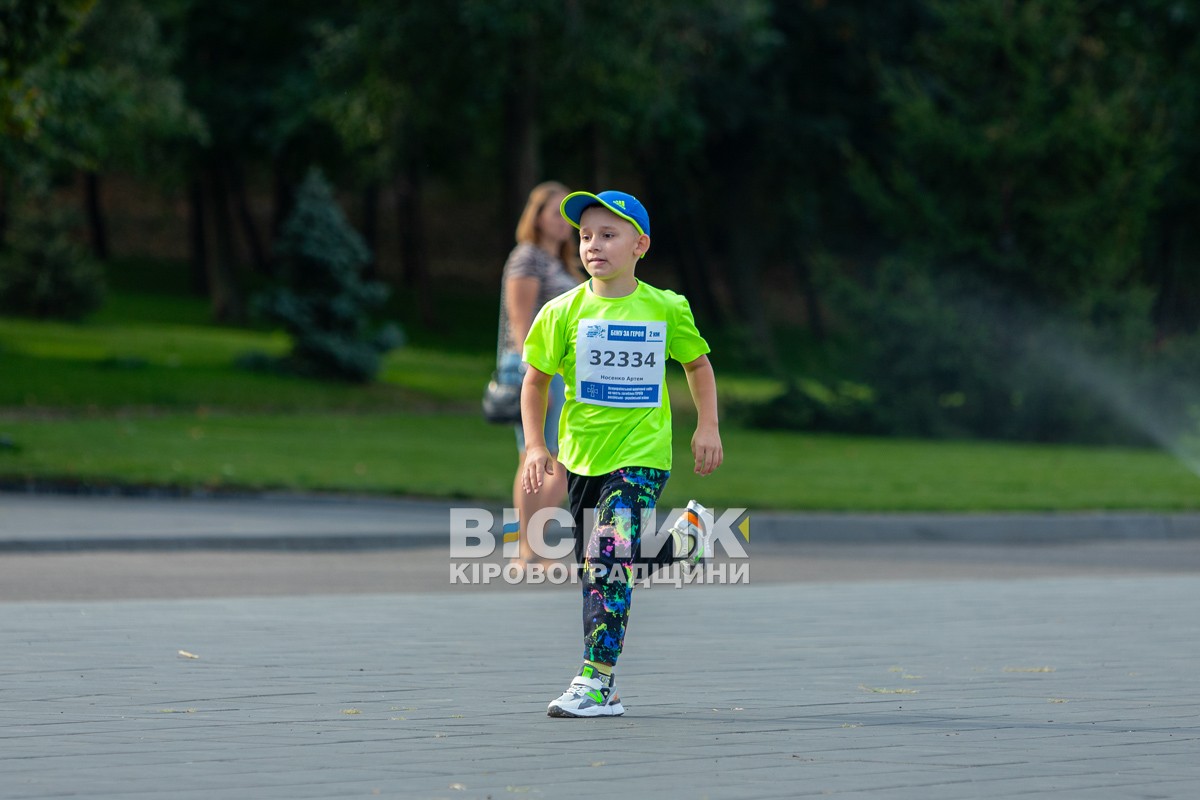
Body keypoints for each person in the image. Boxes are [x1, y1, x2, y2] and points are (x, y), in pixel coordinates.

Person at [520, 190, 723, 717]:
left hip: (642, 455)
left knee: (608, 558)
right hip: (583, 459)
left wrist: (708, 426)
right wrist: (536, 446)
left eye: (608, 235)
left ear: (640, 245)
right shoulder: (560, 312)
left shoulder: (665, 307)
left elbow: (697, 365)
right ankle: (682, 545)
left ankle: (597, 682)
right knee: (600, 567)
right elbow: (535, 382)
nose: (594, 246)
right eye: (586, 236)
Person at [500, 181, 581, 568]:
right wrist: (532, 380)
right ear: (537, 216)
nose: (564, 222)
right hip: (535, 370)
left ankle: (529, 539)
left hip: (565, 371)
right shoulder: (527, 258)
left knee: (563, 463)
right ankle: (525, 549)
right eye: (555, 212)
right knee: (534, 456)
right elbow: (520, 324)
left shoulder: (564, 262)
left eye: (567, 214)